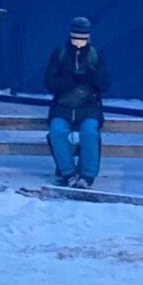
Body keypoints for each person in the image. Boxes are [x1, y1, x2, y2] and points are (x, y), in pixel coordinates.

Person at [44, 16, 110, 188]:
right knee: (57, 132)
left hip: (88, 107)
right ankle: (67, 173)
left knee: (90, 132)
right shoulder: (60, 53)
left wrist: (92, 76)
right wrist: (70, 80)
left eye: (82, 39)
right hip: (62, 107)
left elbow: (104, 85)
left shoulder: (96, 55)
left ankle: (87, 175)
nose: (79, 43)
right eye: (76, 38)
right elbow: (50, 83)